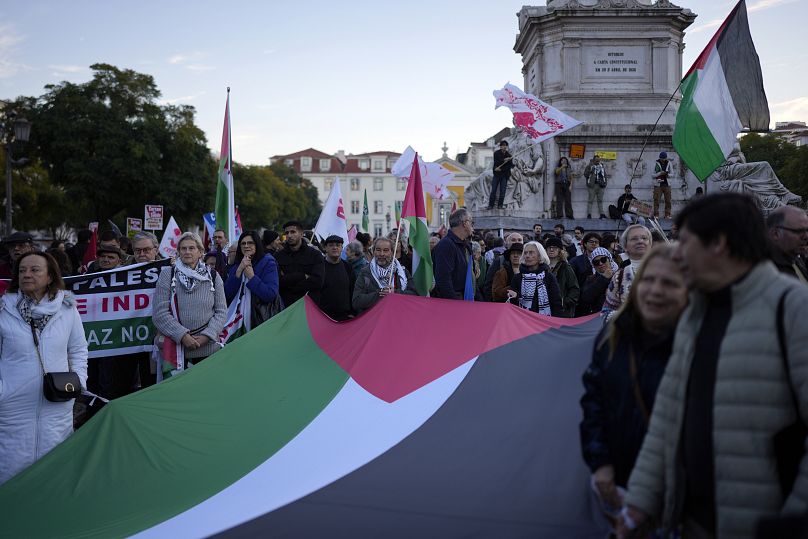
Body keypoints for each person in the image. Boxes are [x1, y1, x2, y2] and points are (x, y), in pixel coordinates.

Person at [620, 193, 808, 539]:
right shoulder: (695, 310)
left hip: (763, 525)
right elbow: (667, 415)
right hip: (692, 522)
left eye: (685, 241)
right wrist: (640, 502)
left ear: (718, 244)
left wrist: (793, 523)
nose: (674, 252)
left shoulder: (794, 308)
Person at [579, 244, 687, 533]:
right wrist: (600, 463)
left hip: (680, 493)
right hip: (619, 475)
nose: (655, 290)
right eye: (648, 280)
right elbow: (594, 402)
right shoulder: (613, 334)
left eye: (668, 282)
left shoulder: (701, 342)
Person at [0, 252, 88, 485]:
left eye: (35, 270)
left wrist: (79, 380)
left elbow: (78, 349)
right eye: (22, 270)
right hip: (13, 407)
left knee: (55, 469)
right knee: (12, 469)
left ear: (50, 276)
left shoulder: (67, 309)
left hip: (57, 404)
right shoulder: (3, 309)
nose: (27, 275)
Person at [153, 232, 227, 369]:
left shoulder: (213, 276)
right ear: (179, 252)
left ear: (200, 252)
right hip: (176, 349)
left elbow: (221, 311)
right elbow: (159, 313)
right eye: (183, 248)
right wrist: (182, 335)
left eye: (192, 248)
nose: (187, 252)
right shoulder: (167, 275)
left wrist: (207, 335)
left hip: (208, 348)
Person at [224, 230, 280, 331]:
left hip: (259, 319)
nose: (246, 246)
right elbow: (227, 294)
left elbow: (270, 294)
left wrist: (252, 277)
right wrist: (239, 271)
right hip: (237, 320)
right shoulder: (237, 265)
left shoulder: (268, 262)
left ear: (257, 244)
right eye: (243, 243)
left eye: (250, 243)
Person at [353, 237, 416, 314]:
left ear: (392, 252)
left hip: (399, 316)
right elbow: (356, 301)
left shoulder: (402, 271)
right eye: (378, 250)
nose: (382, 254)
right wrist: (379, 294)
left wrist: (395, 293)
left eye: (386, 250)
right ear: (373, 251)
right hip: (374, 319)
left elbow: (414, 295)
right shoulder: (365, 272)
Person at [602, 225, 653, 319]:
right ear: (625, 246)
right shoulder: (619, 276)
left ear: (650, 244)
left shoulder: (666, 270)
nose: (640, 241)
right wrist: (626, 316)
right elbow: (606, 312)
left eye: (644, 238)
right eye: (634, 239)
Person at [274, 221, 325, 307]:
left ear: (301, 234)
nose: (289, 235)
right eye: (287, 233)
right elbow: (277, 281)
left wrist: (292, 286)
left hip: (309, 306)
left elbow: (318, 281)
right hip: (285, 306)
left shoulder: (315, 255)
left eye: (293, 232)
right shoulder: (278, 256)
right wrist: (302, 276)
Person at [506, 241, 562, 316]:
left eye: (531, 252)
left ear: (540, 256)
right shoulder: (518, 278)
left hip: (544, 320)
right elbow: (513, 306)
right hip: (523, 319)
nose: (527, 256)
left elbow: (556, 302)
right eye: (525, 253)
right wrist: (515, 296)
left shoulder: (548, 277)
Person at [432, 209, 474, 300]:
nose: (472, 226)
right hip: (454, 302)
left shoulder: (465, 245)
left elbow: (470, 277)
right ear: (465, 223)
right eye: (471, 222)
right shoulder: (446, 245)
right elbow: (444, 281)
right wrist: (455, 305)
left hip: (466, 297)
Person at [318, 235, 355, 321]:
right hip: (323, 316)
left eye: (338, 245)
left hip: (345, 317)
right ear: (325, 248)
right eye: (331, 245)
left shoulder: (348, 267)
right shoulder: (319, 266)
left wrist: (352, 312)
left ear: (342, 248)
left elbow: (353, 290)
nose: (335, 247)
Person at [767, 206, 808, 283]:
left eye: (807, 230)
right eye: (799, 231)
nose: (806, 236)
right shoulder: (766, 270)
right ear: (776, 234)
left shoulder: (797, 256)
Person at [483, 232, 523, 300]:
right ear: (506, 243)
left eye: (519, 240)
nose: (517, 242)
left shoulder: (528, 263)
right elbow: (489, 286)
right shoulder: (499, 261)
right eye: (513, 240)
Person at [546, 236, 579, 317]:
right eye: (549, 247)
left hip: (561, 311)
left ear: (560, 250)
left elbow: (574, 289)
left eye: (555, 248)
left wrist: (565, 303)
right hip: (544, 308)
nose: (551, 250)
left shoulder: (566, 267)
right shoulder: (542, 267)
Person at [579, 246, 618, 316]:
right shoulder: (591, 278)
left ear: (609, 259)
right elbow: (586, 298)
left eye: (603, 260)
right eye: (596, 262)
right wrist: (603, 278)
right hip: (598, 318)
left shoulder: (620, 274)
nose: (600, 263)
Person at [488, 140, 515, 209]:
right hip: (496, 175)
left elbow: (509, 166)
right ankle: (490, 205)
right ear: (500, 146)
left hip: (504, 175)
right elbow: (496, 162)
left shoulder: (509, 156)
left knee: (502, 192)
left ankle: (500, 205)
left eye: (505, 145)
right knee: (493, 191)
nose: (504, 147)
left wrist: (508, 163)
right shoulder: (496, 153)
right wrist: (504, 160)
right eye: (503, 145)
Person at [584, 155, 607, 219]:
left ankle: (602, 214)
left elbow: (604, 175)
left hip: (601, 185)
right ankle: (589, 214)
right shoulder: (589, 166)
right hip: (592, 185)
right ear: (593, 160)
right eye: (596, 160)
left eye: (598, 160)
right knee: (590, 200)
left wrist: (605, 183)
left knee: (600, 200)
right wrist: (591, 170)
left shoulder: (601, 166)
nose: (597, 161)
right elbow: (585, 174)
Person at [653, 151, 673, 219]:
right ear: (660, 158)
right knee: (656, 200)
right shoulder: (656, 163)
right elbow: (652, 175)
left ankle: (667, 214)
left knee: (668, 200)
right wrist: (660, 173)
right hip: (658, 185)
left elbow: (672, 174)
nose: (663, 160)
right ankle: (656, 215)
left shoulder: (669, 163)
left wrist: (667, 174)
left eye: (664, 158)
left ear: (666, 158)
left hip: (667, 184)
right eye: (661, 158)